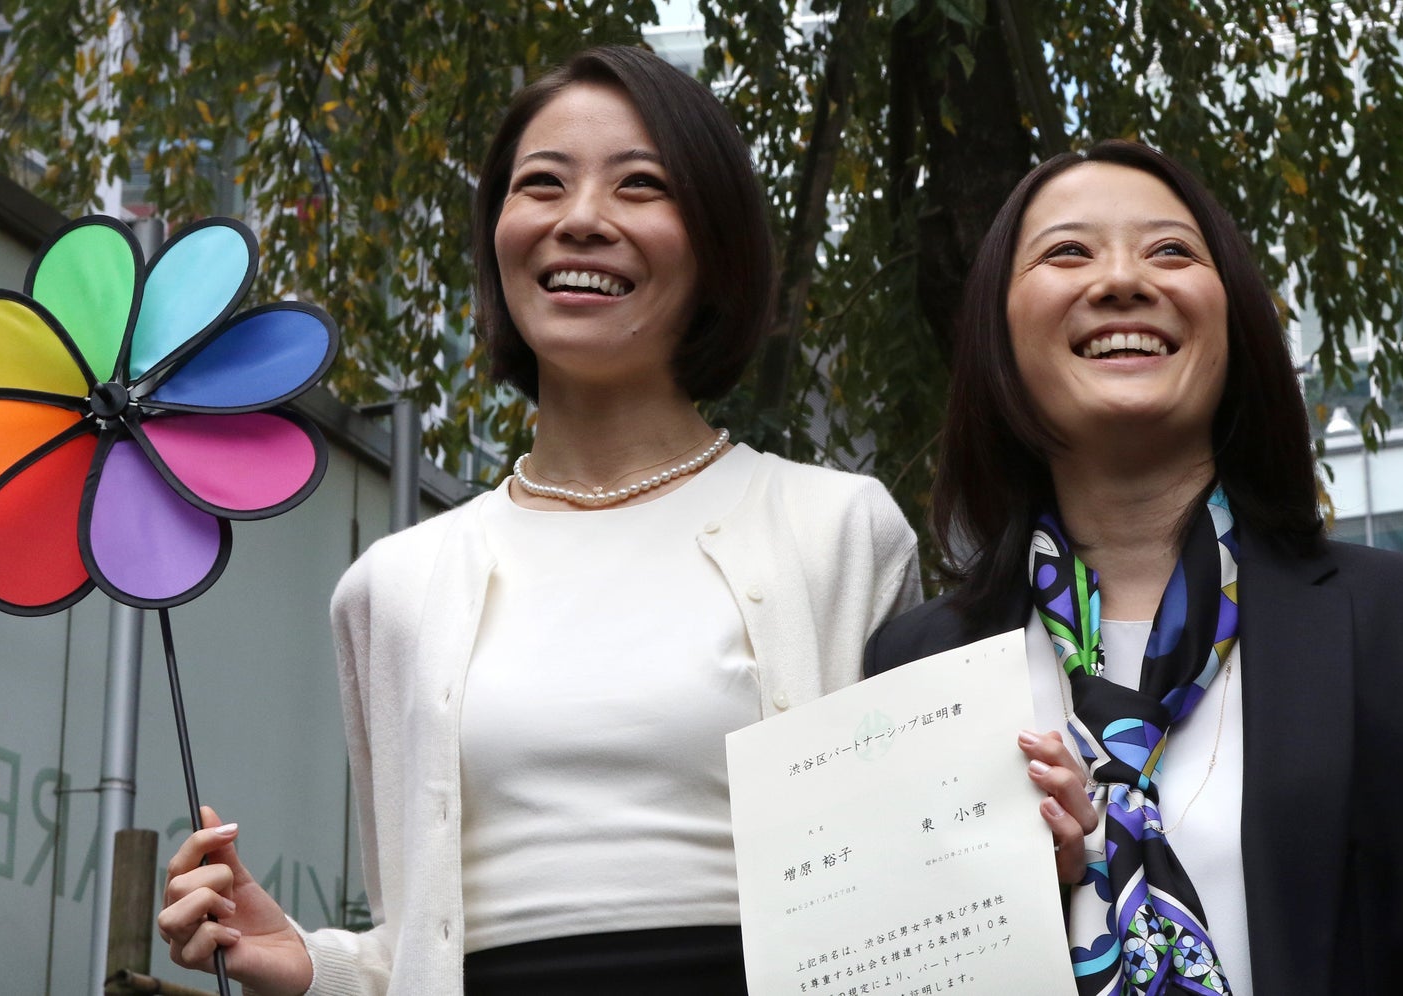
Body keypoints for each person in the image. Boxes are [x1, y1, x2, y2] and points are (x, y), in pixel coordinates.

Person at [156, 46, 921, 995]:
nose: (581, 219)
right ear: (497, 239)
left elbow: (913, 888)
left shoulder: (841, 534)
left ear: (716, 243)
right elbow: (416, 946)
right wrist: (316, 963)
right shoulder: (393, 588)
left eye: (640, 185)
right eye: (542, 184)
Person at [862, 140, 1403, 994]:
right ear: (995, 333)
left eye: (1170, 251)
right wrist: (1026, 909)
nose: (1122, 280)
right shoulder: (915, 671)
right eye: (1068, 251)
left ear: (1236, 324)